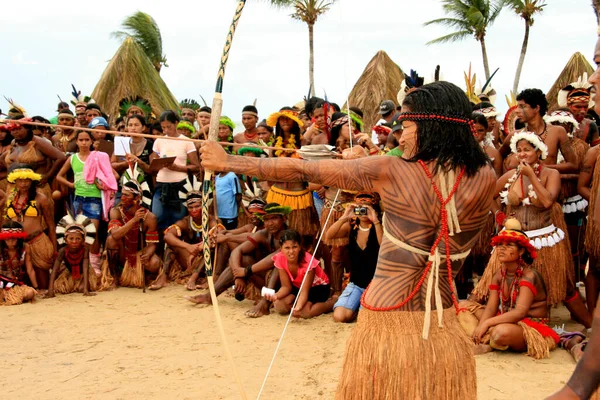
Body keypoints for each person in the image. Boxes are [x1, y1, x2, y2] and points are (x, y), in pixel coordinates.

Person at [200, 81, 495, 398]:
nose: (402, 134)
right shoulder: (485, 176)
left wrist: (229, 161)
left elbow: (304, 169)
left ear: (430, 125)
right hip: (443, 324)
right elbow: (434, 182)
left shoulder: (390, 169)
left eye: (407, 125)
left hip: (389, 321)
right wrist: (371, 157)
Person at [473, 131, 592, 327]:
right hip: (514, 240)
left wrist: (531, 176)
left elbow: (546, 201)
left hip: (544, 239)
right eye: (518, 151)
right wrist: (499, 215)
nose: (522, 154)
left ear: (538, 152)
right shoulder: (511, 175)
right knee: (490, 285)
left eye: (527, 150)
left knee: (564, 286)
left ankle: (590, 325)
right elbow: (488, 197)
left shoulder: (551, 174)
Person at [545, 35, 600, 399]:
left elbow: (573, 167)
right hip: (574, 209)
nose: (592, 82)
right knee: (590, 266)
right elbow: (580, 177)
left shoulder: (586, 142)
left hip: (576, 212)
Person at [458, 218, 558, 359]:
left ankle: (491, 339)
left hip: (528, 325)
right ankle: (484, 340)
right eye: (500, 245)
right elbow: (491, 308)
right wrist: (481, 326)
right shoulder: (499, 274)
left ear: (521, 251)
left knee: (500, 333)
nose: (502, 248)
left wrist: (486, 323)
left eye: (509, 245)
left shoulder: (529, 276)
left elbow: (519, 313)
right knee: (463, 306)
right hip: (505, 319)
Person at [186, 203, 290, 320]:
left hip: (284, 286)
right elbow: (237, 251)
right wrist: (237, 274)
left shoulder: (291, 236)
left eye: (274, 218)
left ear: (284, 218)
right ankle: (210, 296)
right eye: (266, 219)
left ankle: (265, 304)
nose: (270, 223)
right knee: (243, 258)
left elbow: (274, 258)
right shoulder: (263, 234)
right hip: (264, 281)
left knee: (278, 263)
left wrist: (245, 271)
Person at [56, 130, 116, 273]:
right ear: (76, 141)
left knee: (92, 232)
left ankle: (94, 263)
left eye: (86, 140)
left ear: (91, 141)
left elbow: (112, 175)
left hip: (94, 199)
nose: (84, 143)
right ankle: (84, 262)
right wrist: (71, 185)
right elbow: (59, 176)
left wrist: (104, 185)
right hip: (78, 199)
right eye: (81, 140)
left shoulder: (98, 157)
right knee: (80, 232)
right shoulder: (72, 159)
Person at [326, 193, 382, 323]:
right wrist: (344, 217)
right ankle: (355, 307)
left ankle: (361, 307)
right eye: (360, 208)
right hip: (356, 283)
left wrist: (375, 221)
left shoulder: (380, 227)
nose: (363, 212)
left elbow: (383, 246)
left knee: (366, 319)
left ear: (374, 209)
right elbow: (329, 236)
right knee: (339, 316)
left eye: (367, 208)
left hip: (375, 284)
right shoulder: (350, 228)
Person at [103, 172, 162, 289]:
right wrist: (134, 220)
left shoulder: (150, 218)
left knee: (155, 263)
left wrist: (148, 254)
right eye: (122, 194)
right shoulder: (115, 211)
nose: (122, 198)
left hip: (139, 252)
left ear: (137, 198)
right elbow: (114, 236)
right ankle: (115, 277)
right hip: (122, 252)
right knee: (110, 241)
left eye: (127, 195)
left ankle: (145, 276)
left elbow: (152, 244)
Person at [2, 164, 56, 289]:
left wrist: (54, 247)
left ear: (32, 181)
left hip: (37, 241)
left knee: (43, 285)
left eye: (27, 180)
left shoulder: (41, 198)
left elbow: (51, 225)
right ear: (15, 181)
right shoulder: (10, 199)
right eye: (21, 180)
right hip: (16, 244)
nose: (24, 184)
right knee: (20, 279)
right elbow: (5, 224)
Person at [500, 88, 577, 174]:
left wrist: (543, 168)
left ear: (536, 108)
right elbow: (498, 157)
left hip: (547, 185)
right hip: (521, 185)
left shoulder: (557, 132)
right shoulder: (515, 135)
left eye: (522, 106)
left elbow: (573, 165)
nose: (517, 111)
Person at [263, 229, 333, 318]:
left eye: (294, 247)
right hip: (298, 286)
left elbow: (304, 291)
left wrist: (298, 307)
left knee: (305, 312)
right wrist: (276, 296)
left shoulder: (308, 262)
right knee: (279, 305)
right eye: (287, 248)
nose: (291, 251)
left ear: (300, 247)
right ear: (281, 248)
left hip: (317, 287)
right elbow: (286, 287)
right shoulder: (280, 258)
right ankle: (298, 305)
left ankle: (331, 303)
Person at [163, 177, 219, 290]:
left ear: (204, 206)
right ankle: (163, 276)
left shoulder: (212, 221)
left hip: (207, 263)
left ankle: (194, 277)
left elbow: (219, 236)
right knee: (171, 245)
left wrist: (199, 247)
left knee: (212, 247)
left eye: (197, 206)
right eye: (190, 207)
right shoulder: (185, 221)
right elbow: (167, 235)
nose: (194, 210)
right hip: (189, 261)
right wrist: (188, 247)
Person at [149, 110, 200, 230]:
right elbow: (153, 163)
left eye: (169, 127)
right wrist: (158, 163)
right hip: (161, 184)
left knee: (178, 218)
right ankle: (159, 246)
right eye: (163, 128)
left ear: (176, 123)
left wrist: (178, 168)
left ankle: (175, 246)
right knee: (157, 216)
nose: (166, 130)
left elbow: (196, 166)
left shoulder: (186, 141)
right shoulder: (159, 141)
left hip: (180, 185)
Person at [47, 213, 97, 297]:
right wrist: (50, 290)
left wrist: (85, 289)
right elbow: (55, 270)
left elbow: (85, 268)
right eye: (71, 238)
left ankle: (81, 286)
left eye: (78, 239)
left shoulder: (85, 249)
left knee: (81, 289)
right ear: (65, 240)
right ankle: (74, 284)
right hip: (69, 273)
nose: (74, 241)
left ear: (83, 240)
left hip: (83, 274)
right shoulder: (62, 251)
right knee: (62, 289)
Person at [0, 221, 37, 305]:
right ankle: (6, 296)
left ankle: (8, 297)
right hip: (1, 282)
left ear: (18, 238)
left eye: (13, 238)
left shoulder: (25, 247)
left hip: (16, 284)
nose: (10, 241)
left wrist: (36, 287)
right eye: (7, 238)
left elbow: (30, 270)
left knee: (30, 293)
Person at [559, 73, 600, 147]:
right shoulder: (558, 124)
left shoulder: (591, 125)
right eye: (578, 107)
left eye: (585, 107)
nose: (582, 111)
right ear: (569, 106)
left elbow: (597, 151)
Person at [472, 112, 502, 177]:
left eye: (480, 130)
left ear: (486, 132)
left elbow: (498, 177)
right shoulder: (458, 152)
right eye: (473, 131)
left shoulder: (494, 153)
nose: (476, 134)